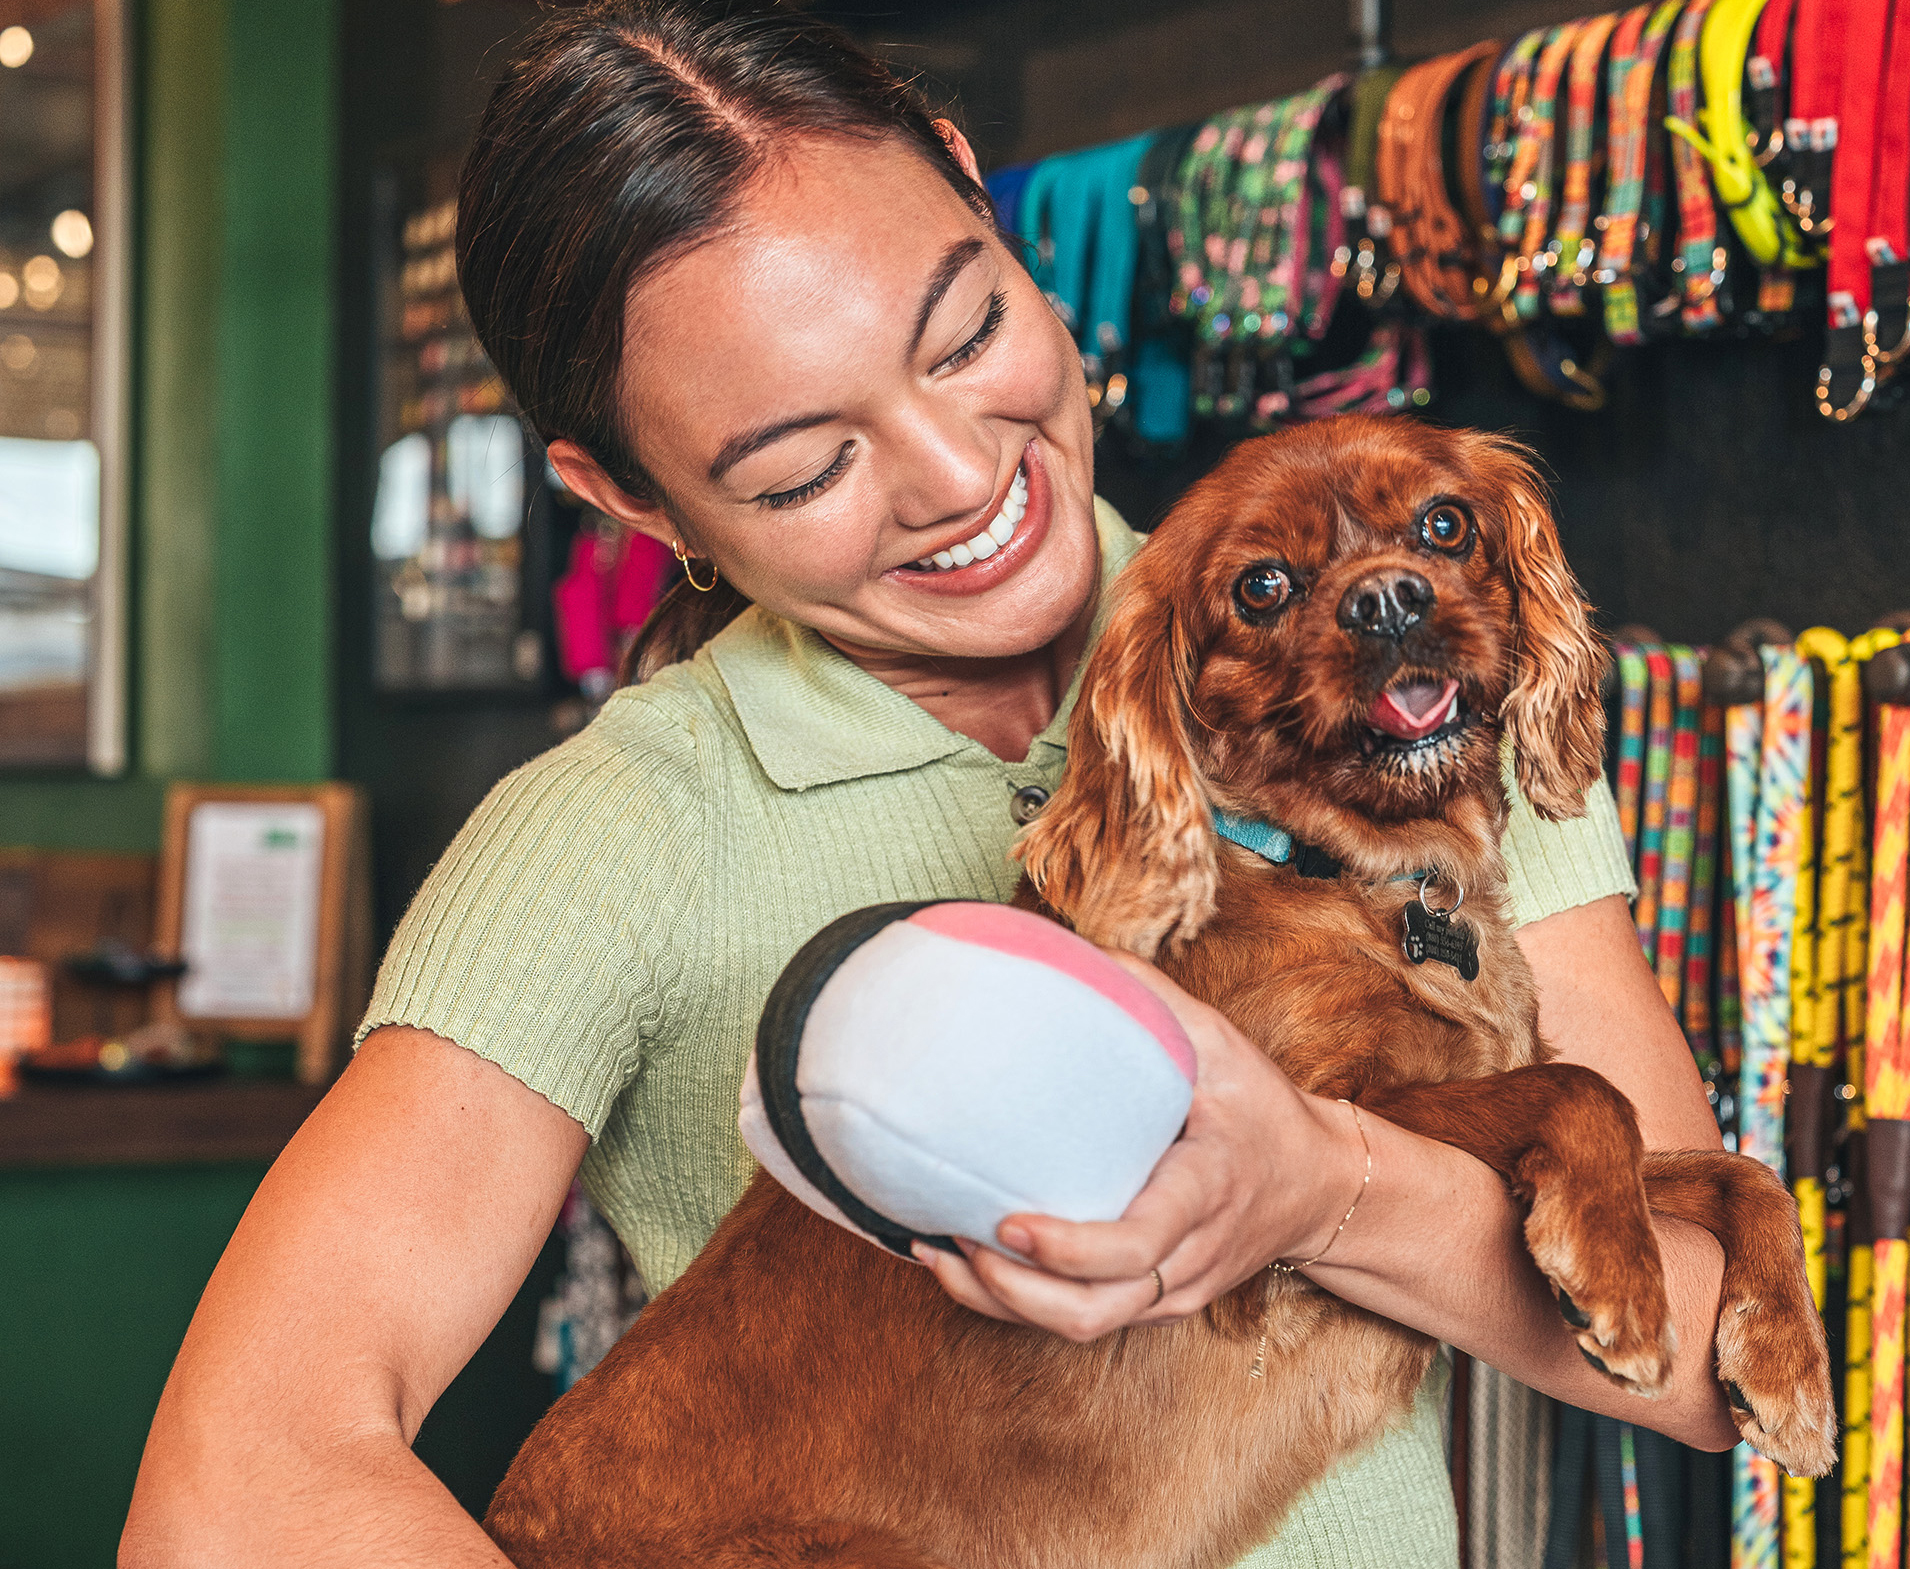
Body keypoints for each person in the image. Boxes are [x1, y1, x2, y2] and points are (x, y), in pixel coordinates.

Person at [120, 4, 1740, 1565]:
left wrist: (1323, 1193)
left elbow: (1698, 1357)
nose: (965, 477)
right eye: (805, 466)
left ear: (979, 186)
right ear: (623, 492)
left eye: (965, 330)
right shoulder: (623, 828)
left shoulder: (1402, 700)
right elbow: (237, 1491)